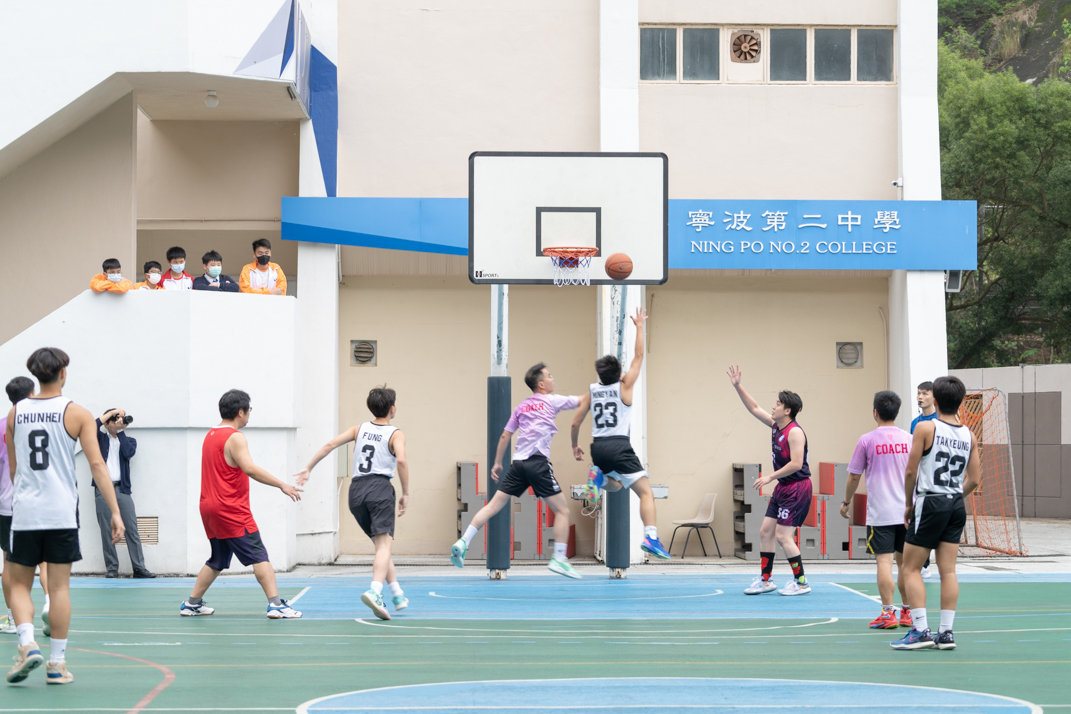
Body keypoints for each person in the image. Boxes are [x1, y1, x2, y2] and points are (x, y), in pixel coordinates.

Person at [5, 348, 125, 686]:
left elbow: (14, 470)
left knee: (19, 584)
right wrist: (115, 511)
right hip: (61, 512)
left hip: (26, 511)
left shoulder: (15, 413)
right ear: (63, 373)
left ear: (35, 374)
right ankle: (56, 664)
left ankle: (27, 643)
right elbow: (97, 465)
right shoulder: (78, 413)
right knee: (58, 588)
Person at [179, 389, 302, 619]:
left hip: (208, 506)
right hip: (231, 508)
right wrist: (282, 485)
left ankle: (191, 604)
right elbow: (249, 468)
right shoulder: (235, 437)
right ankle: (276, 605)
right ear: (241, 412)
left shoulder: (211, 435)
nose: (249, 414)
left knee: (218, 559)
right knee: (259, 554)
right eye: (249, 410)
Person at [451, 363, 581, 579]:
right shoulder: (552, 400)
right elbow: (582, 399)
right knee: (562, 511)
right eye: (550, 376)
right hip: (538, 463)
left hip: (518, 464)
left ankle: (464, 540)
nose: (553, 379)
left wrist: (497, 463)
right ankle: (559, 558)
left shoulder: (521, 407)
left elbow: (505, 435)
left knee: (493, 506)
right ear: (541, 384)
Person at [295, 386, 410, 620]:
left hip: (356, 492)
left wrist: (308, 468)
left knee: (381, 546)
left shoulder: (359, 429)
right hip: (379, 489)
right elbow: (401, 461)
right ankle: (375, 591)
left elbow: (329, 445)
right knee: (384, 546)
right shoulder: (396, 433)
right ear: (392, 408)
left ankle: (397, 593)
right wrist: (406, 493)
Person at [570, 308, 670, 560]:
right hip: (619, 446)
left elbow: (575, 422)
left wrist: (575, 446)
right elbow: (639, 355)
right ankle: (651, 537)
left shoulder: (592, 391)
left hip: (598, 448)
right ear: (619, 373)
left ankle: (598, 478)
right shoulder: (624, 386)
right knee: (646, 492)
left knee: (615, 486)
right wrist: (639, 326)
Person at [892, 376, 980, 651]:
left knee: (910, 568)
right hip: (955, 504)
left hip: (930, 501)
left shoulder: (926, 427)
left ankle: (920, 631)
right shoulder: (969, 435)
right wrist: (953, 498)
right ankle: (946, 633)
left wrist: (909, 504)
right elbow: (975, 481)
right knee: (948, 571)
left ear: (936, 400)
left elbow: (911, 471)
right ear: (961, 402)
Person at [727, 365, 812, 596]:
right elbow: (754, 408)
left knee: (783, 536)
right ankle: (766, 580)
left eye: (778, 403)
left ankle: (801, 582)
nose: (773, 406)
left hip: (797, 487)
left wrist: (770, 477)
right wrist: (738, 386)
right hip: (783, 487)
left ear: (788, 410)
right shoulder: (776, 426)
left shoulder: (795, 432)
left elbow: (796, 463)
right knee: (766, 532)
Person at [842, 391, 912, 629]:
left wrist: (846, 502)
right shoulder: (910, 439)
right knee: (905, 565)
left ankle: (888, 614)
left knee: (884, 562)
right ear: (897, 412)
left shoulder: (867, 440)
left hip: (881, 514)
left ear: (875, 412)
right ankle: (907, 613)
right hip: (908, 513)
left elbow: (854, 476)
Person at [94, 408, 155, 579]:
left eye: (120, 419)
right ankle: (112, 568)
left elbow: (129, 453)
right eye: (115, 419)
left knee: (131, 529)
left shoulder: (129, 440)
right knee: (106, 530)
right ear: (107, 423)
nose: (119, 421)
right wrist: (111, 413)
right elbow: (92, 426)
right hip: (102, 489)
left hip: (122, 489)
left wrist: (120, 431)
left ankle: (139, 568)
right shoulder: (99, 439)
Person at [1, 377, 36, 635]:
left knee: (9, 563)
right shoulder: (44, 425)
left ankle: (14, 619)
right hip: (40, 503)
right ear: (32, 394)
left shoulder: (2, 426)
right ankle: (49, 607)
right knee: (46, 563)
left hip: (8, 504)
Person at [911, 381, 938, 578]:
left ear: (934, 398)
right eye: (919, 393)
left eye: (925, 393)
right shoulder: (915, 423)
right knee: (919, 523)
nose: (920, 397)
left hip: (937, 482)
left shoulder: (941, 421)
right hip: (920, 481)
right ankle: (923, 564)